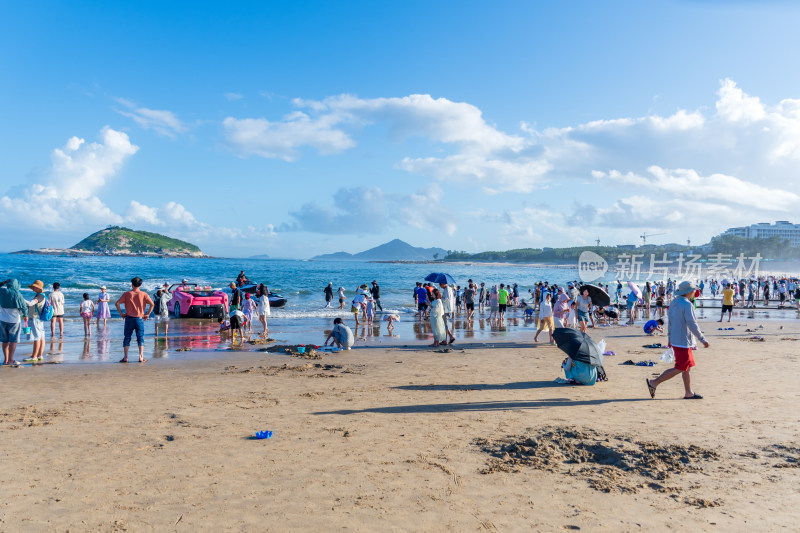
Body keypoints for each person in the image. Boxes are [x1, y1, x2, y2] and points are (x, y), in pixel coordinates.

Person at [646, 280, 709, 400]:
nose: (694, 292)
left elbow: (670, 322)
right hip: (683, 341)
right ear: (690, 292)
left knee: (687, 366)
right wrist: (702, 339)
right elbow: (692, 324)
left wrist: (669, 338)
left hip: (677, 339)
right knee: (681, 367)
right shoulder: (687, 304)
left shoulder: (674, 302)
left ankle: (688, 392)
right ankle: (654, 383)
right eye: (694, 290)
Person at [115, 277, 154, 363]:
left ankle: (125, 357)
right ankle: (140, 357)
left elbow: (117, 303)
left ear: (132, 284)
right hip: (139, 319)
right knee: (140, 338)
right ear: (140, 285)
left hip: (129, 318)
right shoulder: (144, 294)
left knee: (127, 338)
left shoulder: (127, 294)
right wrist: (147, 314)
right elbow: (152, 304)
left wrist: (121, 314)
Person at [0, 279, 26, 366]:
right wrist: (25, 315)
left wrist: (2, 283)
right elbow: (23, 306)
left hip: (3, 319)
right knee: (13, 341)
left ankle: (5, 360)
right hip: (14, 321)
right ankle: (11, 360)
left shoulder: (2, 291)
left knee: (5, 341)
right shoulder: (18, 294)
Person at [23, 280, 48, 362]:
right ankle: (40, 355)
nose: (33, 288)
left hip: (35, 318)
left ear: (38, 288)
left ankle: (34, 356)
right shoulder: (42, 295)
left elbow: (30, 304)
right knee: (41, 337)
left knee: (37, 337)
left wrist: (21, 299)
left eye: (34, 286)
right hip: (39, 318)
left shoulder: (40, 296)